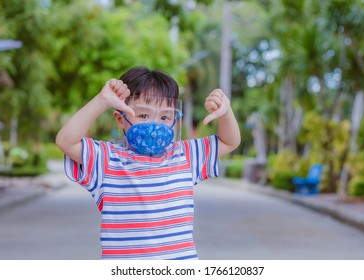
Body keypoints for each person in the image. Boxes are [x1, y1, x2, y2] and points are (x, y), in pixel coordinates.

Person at [55, 66, 241, 260]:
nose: (155, 125)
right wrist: (102, 100)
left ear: (175, 119)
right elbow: (66, 141)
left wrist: (226, 113)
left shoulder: (185, 156)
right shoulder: (107, 160)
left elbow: (229, 141)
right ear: (120, 119)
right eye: (143, 115)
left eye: (165, 117)